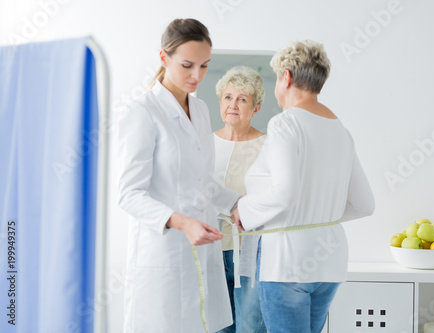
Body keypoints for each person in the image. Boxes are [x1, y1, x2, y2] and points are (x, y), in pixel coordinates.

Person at [234, 40, 375, 333]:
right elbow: (364, 204)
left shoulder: (286, 124)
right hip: (330, 261)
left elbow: (286, 193)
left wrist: (243, 211)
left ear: (286, 77)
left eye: (276, 79)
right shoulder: (341, 131)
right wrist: (316, 215)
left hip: (288, 264)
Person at [117, 18, 240, 333]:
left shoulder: (200, 110)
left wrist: (236, 205)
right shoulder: (143, 112)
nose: (196, 76)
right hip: (164, 254)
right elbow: (129, 194)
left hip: (201, 251)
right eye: (187, 65)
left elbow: (202, 183)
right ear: (163, 58)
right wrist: (182, 222)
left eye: (204, 66)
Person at [213, 66, 267, 333]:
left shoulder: (268, 146)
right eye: (228, 97)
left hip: (252, 251)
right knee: (218, 325)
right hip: (211, 249)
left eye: (242, 99)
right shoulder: (204, 144)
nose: (233, 105)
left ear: (255, 108)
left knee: (250, 325)